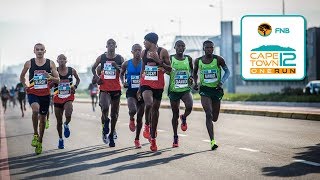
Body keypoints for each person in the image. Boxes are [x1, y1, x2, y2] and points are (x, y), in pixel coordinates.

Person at [20, 43, 60, 155]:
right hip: (33, 92)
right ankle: (35, 134)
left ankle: (40, 141)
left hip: (45, 95)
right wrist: (25, 85)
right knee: (35, 110)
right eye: (37, 49)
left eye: (41, 50)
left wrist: (50, 77)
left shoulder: (50, 63)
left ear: (45, 51)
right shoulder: (29, 63)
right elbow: (22, 76)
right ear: (34, 51)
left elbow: (58, 80)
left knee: (42, 119)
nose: (39, 51)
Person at [193, 40, 230, 150]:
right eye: (207, 47)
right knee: (208, 114)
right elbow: (194, 73)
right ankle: (212, 141)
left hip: (216, 90)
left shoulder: (218, 59)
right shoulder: (198, 61)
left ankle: (212, 136)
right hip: (204, 90)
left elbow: (227, 72)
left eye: (211, 47)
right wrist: (195, 83)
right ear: (203, 48)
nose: (209, 49)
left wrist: (221, 82)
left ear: (213, 48)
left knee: (214, 117)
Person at [140, 32, 172, 151]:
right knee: (148, 104)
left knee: (155, 110)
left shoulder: (162, 52)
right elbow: (142, 70)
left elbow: (170, 70)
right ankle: (147, 126)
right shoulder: (144, 52)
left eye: (145, 41)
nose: (143, 43)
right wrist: (139, 86)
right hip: (146, 83)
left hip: (158, 85)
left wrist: (159, 61)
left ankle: (153, 139)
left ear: (151, 42)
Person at [92, 39, 124, 147]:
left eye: (113, 44)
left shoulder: (120, 58)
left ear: (116, 46)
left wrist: (117, 67)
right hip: (104, 88)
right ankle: (105, 122)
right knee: (104, 108)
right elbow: (93, 67)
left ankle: (111, 134)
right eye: (109, 44)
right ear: (106, 46)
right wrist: (96, 78)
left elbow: (124, 71)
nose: (111, 45)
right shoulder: (102, 57)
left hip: (116, 89)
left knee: (114, 114)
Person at [167, 40, 193, 148]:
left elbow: (191, 70)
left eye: (182, 46)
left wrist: (191, 77)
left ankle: (184, 117)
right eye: (178, 46)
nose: (180, 48)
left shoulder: (188, 59)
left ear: (185, 48)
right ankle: (175, 136)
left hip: (185, 89)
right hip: (174, 90)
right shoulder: (171, 58)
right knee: (175, 114)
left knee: (190, 106)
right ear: (175, 47)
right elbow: (167, 70)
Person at [53, 54, 80, 149]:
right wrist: (52, 83)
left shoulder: (71, 70)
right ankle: (60, 139)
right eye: (60, 59)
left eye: (63, 59)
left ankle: (66, 124)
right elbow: (49, 83)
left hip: (68, 96)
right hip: (57, 97)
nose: (61, 60)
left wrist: (75, 86)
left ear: (66, 61)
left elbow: (78, 79)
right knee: (58, 121)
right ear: (57, 61)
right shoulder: (54, 71)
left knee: (68, 113)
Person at [120, 44, 145, 148]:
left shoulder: (144, 63)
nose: (138, 52)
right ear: (132, 52)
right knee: (133, 110)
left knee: (140, 117)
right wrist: (123, 82)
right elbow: (121, 74)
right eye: (136, 50)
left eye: (140, 50)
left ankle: (137, 139)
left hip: (142, 91)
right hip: (131, 91)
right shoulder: (127, 63)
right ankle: (131, 118)